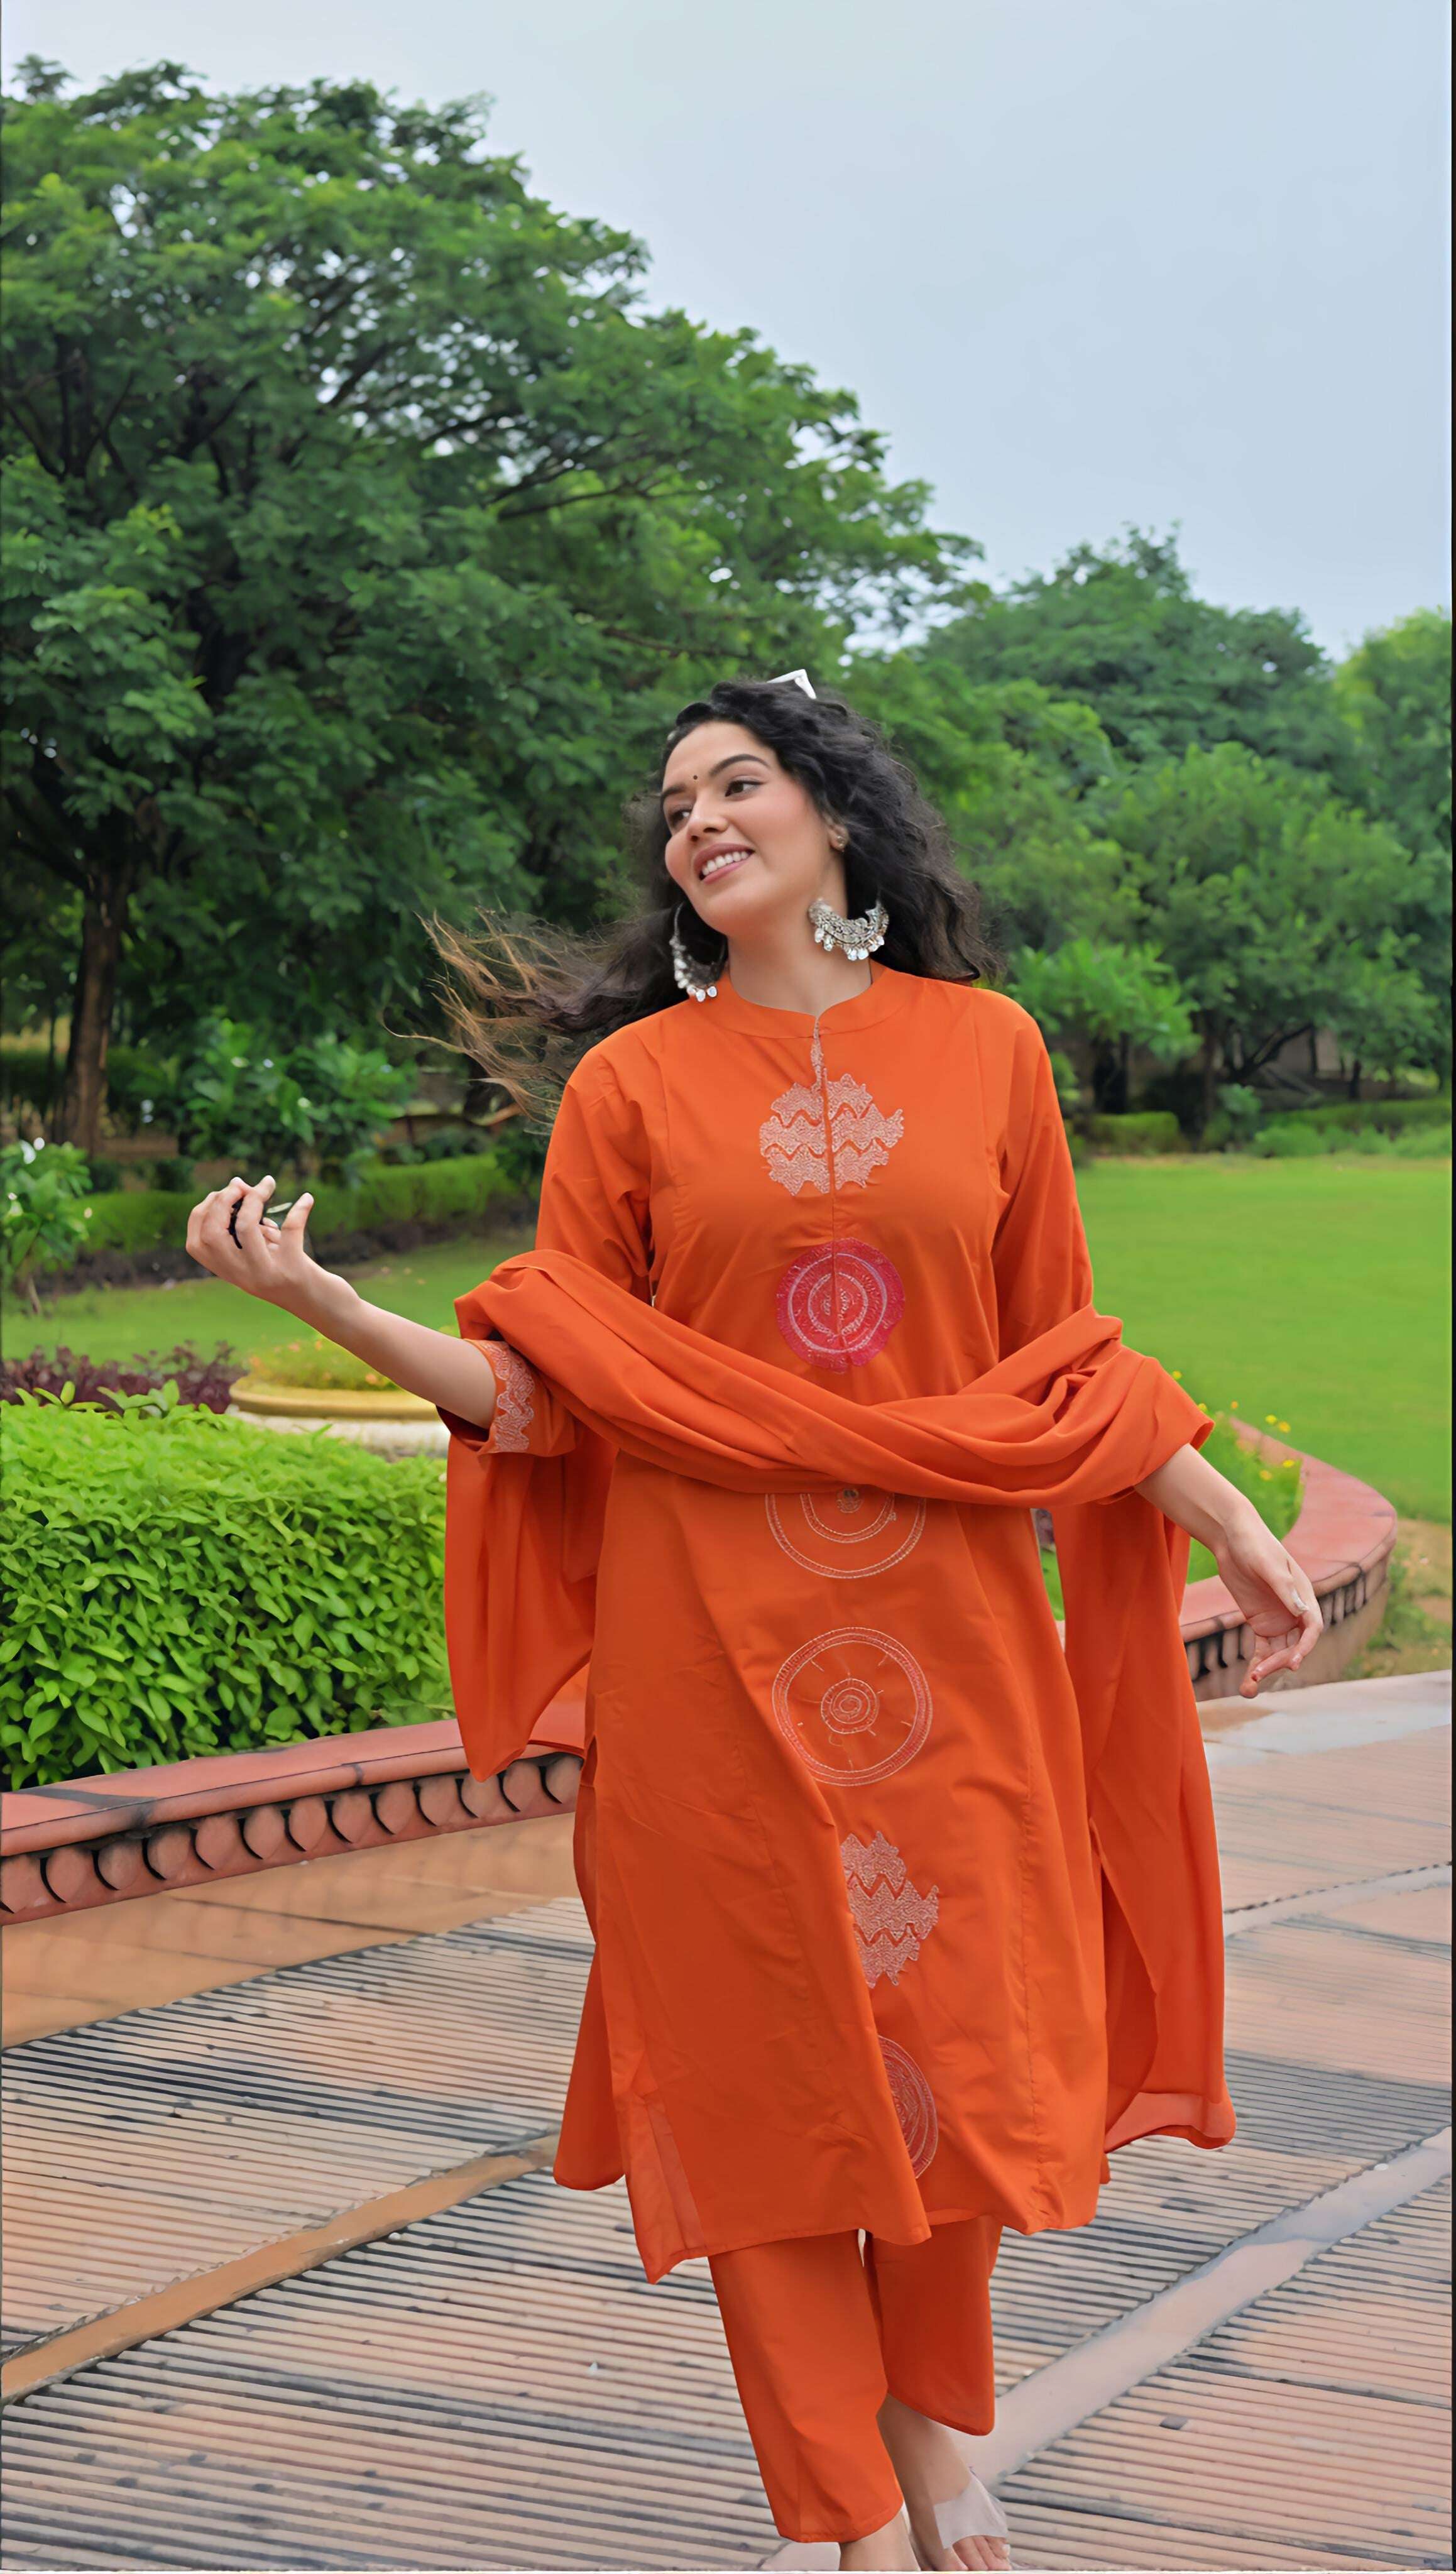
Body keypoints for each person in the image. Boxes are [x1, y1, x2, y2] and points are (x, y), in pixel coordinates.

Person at [187, 677, 1322, 2573]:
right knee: (755, 2065)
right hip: (707, 1651)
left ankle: (934, 2431)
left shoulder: (992, 1051)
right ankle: (841, 2507)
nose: (697, 820)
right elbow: (548, 1387)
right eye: (673, 804)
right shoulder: (630, 1089)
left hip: (955, 1644)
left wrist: (1232, 1526)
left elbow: (1063, 1369)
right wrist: (334, 1312)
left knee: (954, 2040)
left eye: (739, 783)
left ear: (835, 816)